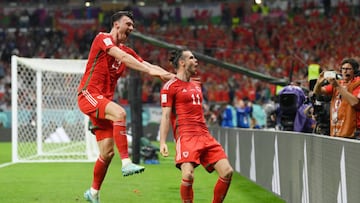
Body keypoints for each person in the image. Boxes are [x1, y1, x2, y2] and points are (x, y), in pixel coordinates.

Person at [77, 11, 174, 203]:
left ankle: (93, 193)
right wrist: (148, 70)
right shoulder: (102, 39)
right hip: (88, 94)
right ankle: (127, 162)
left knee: (107, 153)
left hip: (102, 102)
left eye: (133, 25)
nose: (131, 28)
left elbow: (148, 65)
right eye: (128, 24)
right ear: (115, 24)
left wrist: (173, 76)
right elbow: (121, 55)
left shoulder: (127, 52)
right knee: (120, 112)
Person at [159, 49, 233, 203]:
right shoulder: (170, 87)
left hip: (204, 135)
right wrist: (162, 142)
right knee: (187, 175)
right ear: (182, 62)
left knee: (227, 172)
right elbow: (166, 115)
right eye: (192, 58)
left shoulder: (197, 84)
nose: (196, 61)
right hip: (186, 135)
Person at [313, 58, 360, 138]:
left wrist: (337, 86)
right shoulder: (338, 82)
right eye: (343, 69)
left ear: (354, 71)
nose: (345, 71)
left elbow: (355, 102)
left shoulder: (357, 83)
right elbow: (318, 92)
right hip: (336, 129)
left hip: (352, 131)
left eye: (348, 69)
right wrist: (318, 83)